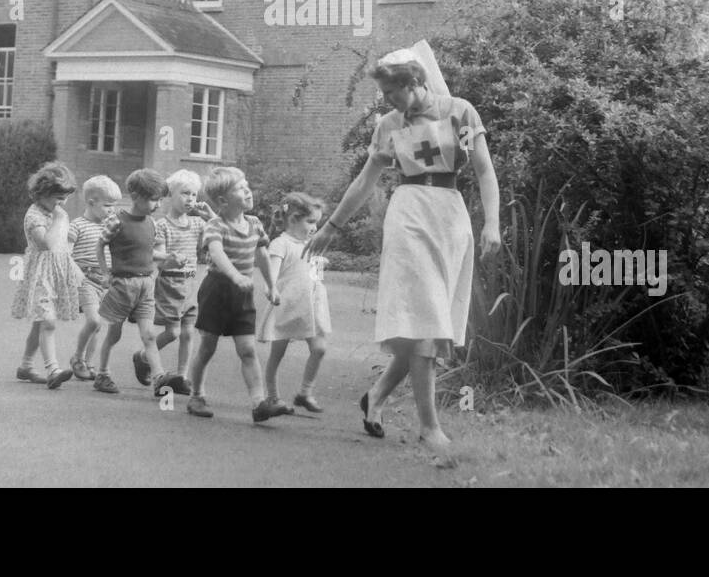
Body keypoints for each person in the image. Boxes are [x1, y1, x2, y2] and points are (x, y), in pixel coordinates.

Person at [305, 44, 501, 452]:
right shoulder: (390, 126)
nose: (388, 101)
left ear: (414, 83)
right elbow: (365, 181)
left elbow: (484, 169)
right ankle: (430, 428)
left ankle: (375, 396)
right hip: (409, 216)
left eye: (392, 93)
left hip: (450, 217)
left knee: (427, 322)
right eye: (385, 95)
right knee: (426, 319)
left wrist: (492, 225)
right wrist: (331, 227)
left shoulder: (459, 111)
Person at [184, 166, 290, 423]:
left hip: (242, 295)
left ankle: (258, 403)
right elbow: (217, 254)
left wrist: (272, 285)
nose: (247, 190)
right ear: (222, 201)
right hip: (217, 291)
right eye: (240, 188)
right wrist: (234, 275)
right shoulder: (214, 225)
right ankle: (196, 394)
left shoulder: (254, 224)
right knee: (207, 347)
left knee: (248, 350)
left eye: (246, 185)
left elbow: (262, 255)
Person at [91, 169, 173, 398]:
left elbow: (148, 252)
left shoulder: (152, 223)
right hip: (122, 286)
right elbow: (100, 246)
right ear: (136, 196)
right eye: (153, 199)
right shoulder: (116, 220)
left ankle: (159, 378)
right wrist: (106, 273)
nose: (157, 205)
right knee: (114, 334)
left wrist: (167, 258)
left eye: (159, 200)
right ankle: (102, 373)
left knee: (148, 335)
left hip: (147, 285)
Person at [11, 161, 85, 390]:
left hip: (56, 273)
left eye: (64, 199)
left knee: (39, 324)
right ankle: (53, 369)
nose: (62, 204)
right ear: (41, 193)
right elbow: (46, 244)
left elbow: (63, 245)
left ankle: (25, 366)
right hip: (40, 274)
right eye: (57, 198)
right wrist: (61, 220)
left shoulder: (54, 212)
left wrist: (74, 267)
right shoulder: (35, 215)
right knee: (48, 321)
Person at [258, 192, 330, 414]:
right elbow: (273, 272)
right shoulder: (281, 244)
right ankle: (272, 397)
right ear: (293, 219)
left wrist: (320, 264)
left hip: (311, 305)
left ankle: (305, 392)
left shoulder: (313, 244)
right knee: (277, 353)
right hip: (288, 304)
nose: (315, 227)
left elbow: (315, 276)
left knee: (319, 348)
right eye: (310, 221)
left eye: (317, 222)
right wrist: (272, 288)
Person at [148, 169, 209, 395]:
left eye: (194, 195)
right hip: (169, 284)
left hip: (191, 283)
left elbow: (217, 233)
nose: (190, 199)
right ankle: (144, 357)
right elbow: (160, 258)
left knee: (188, 332)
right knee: (172, 332)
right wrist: (172, 259)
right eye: (185, 193)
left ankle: (182, 376)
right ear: (170, 195)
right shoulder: (161, 225)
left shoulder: (197, 223)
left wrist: (209, 216)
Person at [67, 175, 122, 381]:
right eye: (108, 205)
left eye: (114, 205)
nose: (112, 210)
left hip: (104, 280)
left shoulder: (109, 227)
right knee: (93, 320)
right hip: (85, 279)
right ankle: (78, 358)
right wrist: (77, 273)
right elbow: (66, 253)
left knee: (98, 326)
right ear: (91, 202)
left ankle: (89, 364)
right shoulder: (77, 225)